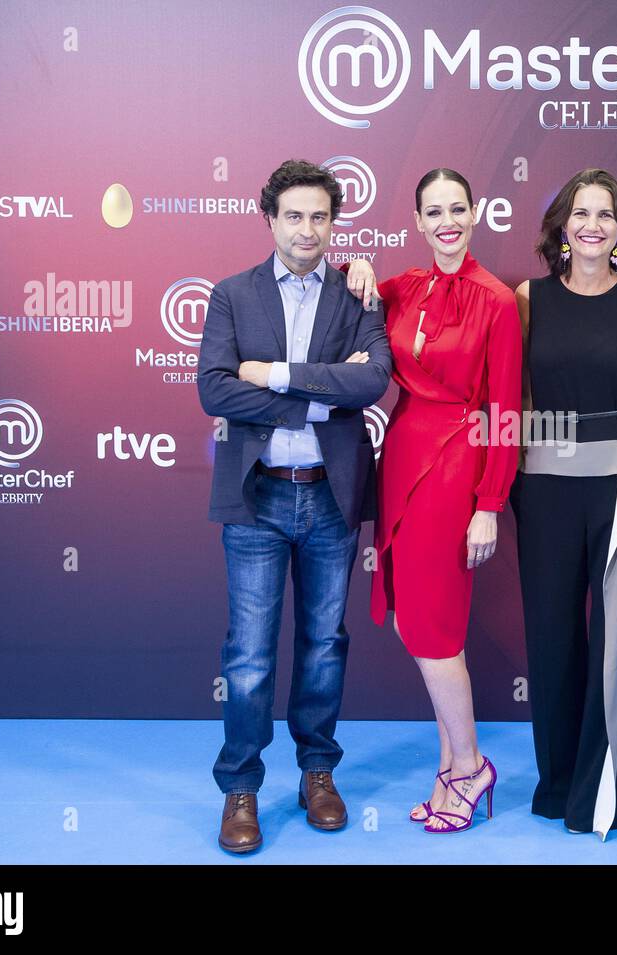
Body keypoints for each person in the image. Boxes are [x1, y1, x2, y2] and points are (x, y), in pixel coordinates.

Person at [197, 159, 391, 854]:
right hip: (258, 501)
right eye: (294, 215)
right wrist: (320, 398)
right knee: (249, 656)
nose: (307, 229)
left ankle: (317, 774)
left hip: (331, 500)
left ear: (334, 222)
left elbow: (371, 381)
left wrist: (274, 376)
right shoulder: (231, 295)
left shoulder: (356, 295)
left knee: (324, 646)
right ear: (271, 219)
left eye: (320, 216)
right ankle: (241, 786)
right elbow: (216, 391)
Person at [510, 168, 617, 839]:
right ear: (562, 227)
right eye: (581, 213)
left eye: (606, 216)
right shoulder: (529, 298)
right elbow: (518, 397)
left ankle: (606, 794)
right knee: (551, 638)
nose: (592, 225)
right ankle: (557, 785)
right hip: (544, 482)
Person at [369, 168, 522, 833]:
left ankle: (469, 766)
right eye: (434, 211)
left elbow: (507, 412)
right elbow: (346, 299)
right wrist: (353, 270)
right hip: (400, 454)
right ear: (418, 220)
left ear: (476, 212)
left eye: (457, 208)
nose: (447, 221)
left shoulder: (496, 300)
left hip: (454, 467)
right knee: (410, 619)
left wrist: (489, 501)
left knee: (434, 629)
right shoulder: (400, 288)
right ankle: (447, 764)